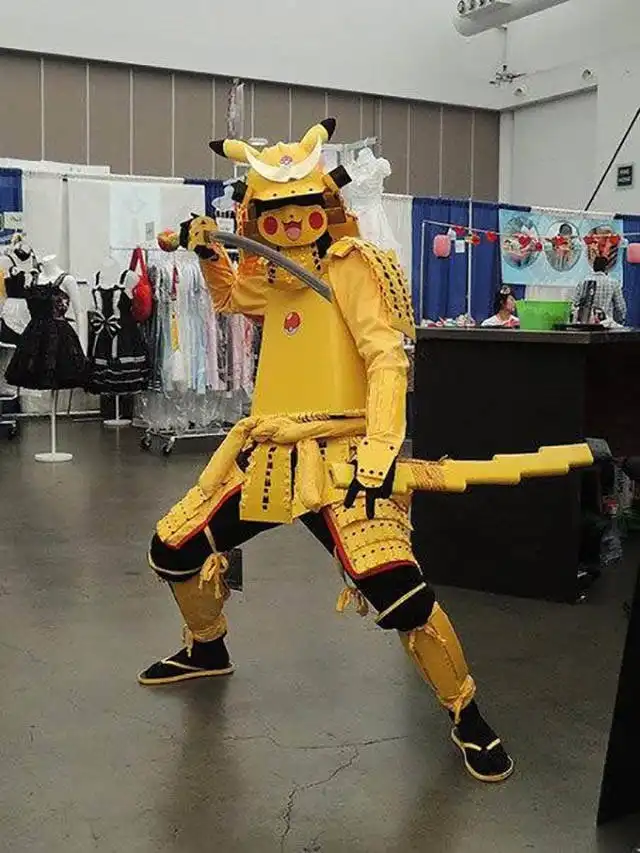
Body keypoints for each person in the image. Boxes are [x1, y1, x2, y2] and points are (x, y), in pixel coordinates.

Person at [138, 117, 514, 784]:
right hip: (268, 453)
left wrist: (380, 449)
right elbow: (230, 298)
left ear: (325, 204)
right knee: (174, 547)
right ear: (256, 216)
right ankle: (207, 647)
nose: (288, 221)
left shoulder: (354, 266)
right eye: (274, 211)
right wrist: (207, 253)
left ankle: (467, 712)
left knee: (400, 595)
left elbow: (386, 358)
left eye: (302, 206)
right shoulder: (272, 272)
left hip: (341, 457)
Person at [572, 254, 626, 325]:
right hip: (606, 323)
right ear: (606, 268)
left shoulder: (583, 282)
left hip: (586, 323)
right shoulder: (613, 283)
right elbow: (620, 307)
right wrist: (620, 321)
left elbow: (574, 304)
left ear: (593, 267)